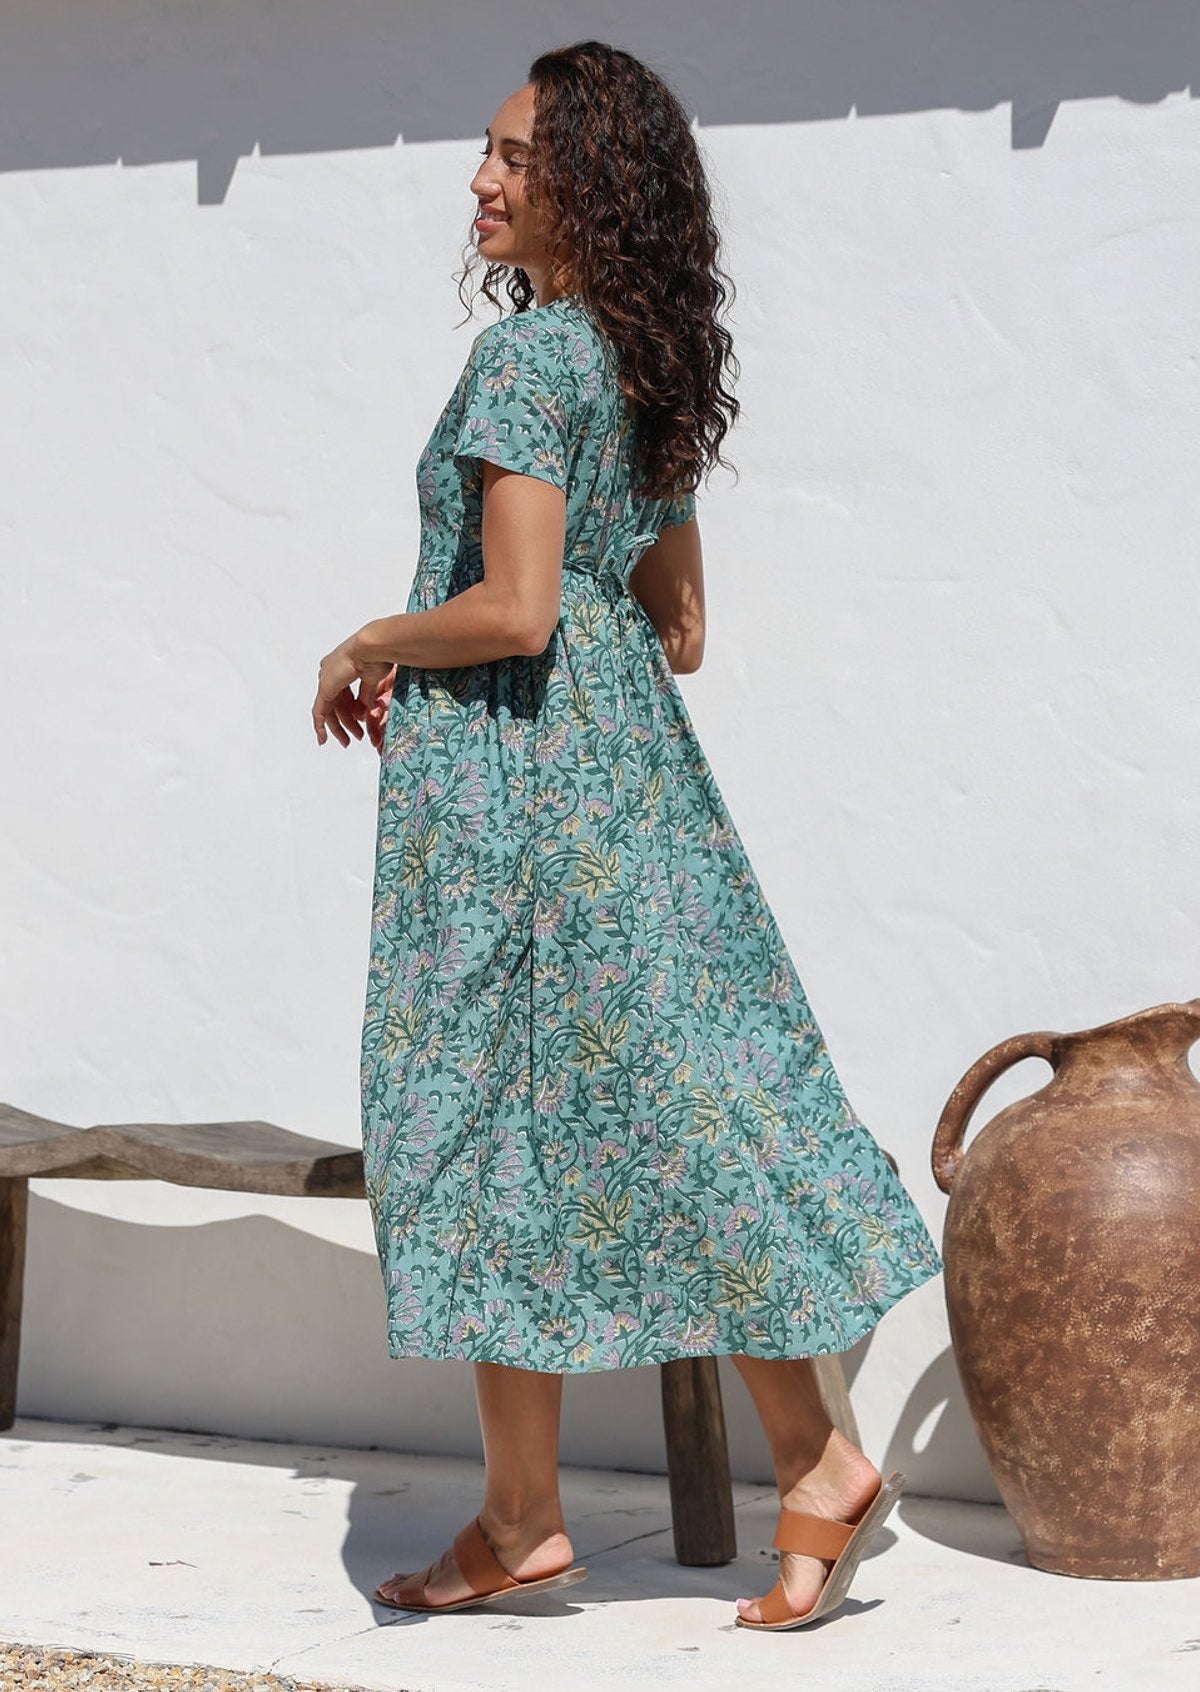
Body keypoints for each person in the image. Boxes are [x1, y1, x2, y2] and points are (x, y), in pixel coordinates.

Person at [312, 39, 942, 1631]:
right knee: (649, 1114)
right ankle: (632, 1494)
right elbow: (681, 630)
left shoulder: (527, 363)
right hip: (628, 790)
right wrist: (571, 622)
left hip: (513, 805)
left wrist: (374, 638)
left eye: (516, 156)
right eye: (488, 153)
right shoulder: (637, 367)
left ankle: (621, 1495)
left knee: (480, 1124)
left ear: (591, 178)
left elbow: (513, 613)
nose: (483, 179)